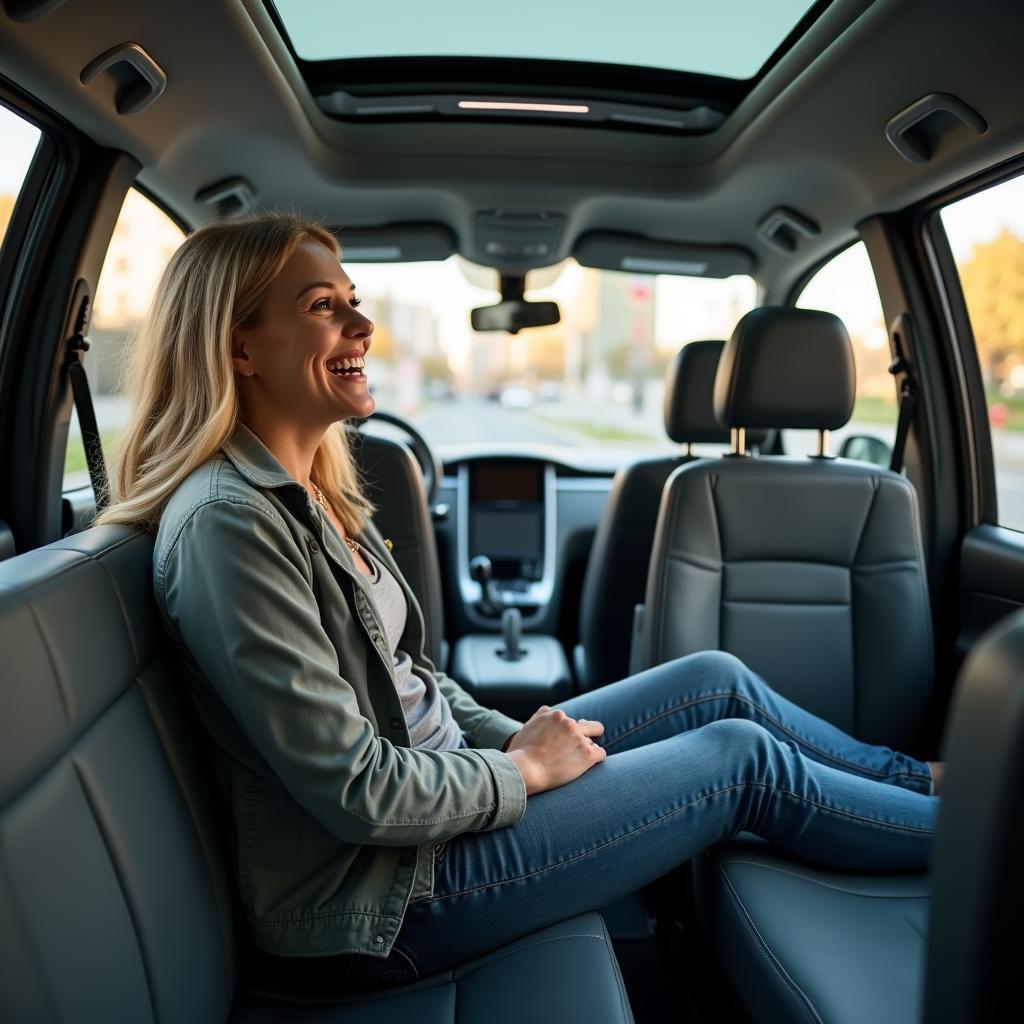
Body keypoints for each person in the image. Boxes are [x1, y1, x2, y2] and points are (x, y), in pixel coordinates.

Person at [93, 212, 943, 994]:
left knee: (714, 680)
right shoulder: (228, 526)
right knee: (737, 758)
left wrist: (520, 742)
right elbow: (355, 789)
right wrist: (526, 771)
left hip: (438, 821)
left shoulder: (308, 495)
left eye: (354, 301)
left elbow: (414, 678)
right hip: (380, 898)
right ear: (238, 348)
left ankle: (925, 783)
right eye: (324, 307)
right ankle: (974, 833)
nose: (362, 326)